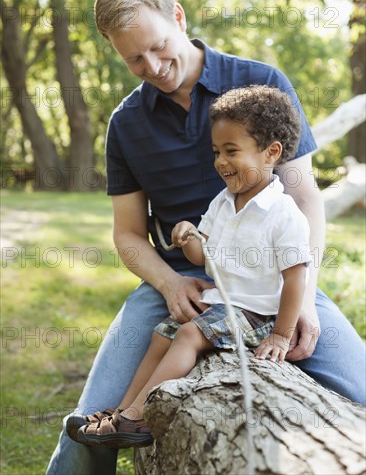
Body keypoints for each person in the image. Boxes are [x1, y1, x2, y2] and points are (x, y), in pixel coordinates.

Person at [46, 0, 366, 475]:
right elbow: (128, 233)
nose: (152, 66)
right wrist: (170, 282)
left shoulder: (262, 82)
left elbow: (307, 203)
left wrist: (304, 297)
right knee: (88, 430)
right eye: (133, 58)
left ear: (178, 15)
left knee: (360, 388)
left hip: (276, 277)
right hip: (183, 279)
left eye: (157, 46)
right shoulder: (126, 124)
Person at [66, 85, 312, 449]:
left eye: (232, 151)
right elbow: (203, 256)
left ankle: (139, 418)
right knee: (163, 332)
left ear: (270, 152)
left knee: (187, 335)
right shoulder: (225, 201)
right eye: (216, 152)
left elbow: (296, 280)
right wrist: (189, 234)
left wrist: (280, 333)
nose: (221, 162)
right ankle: (122, 410)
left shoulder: (283, 214)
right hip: (222, 302)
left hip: (257, 313)